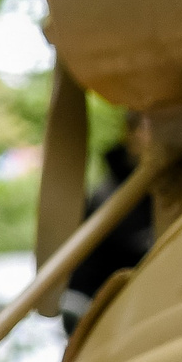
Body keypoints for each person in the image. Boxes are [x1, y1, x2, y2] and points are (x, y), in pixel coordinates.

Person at [59, 111, 154, 332]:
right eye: (146, 126)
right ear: (130, 135)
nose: (151, 135)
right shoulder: (107, 199)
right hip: (123, 320)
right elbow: (84, 274)